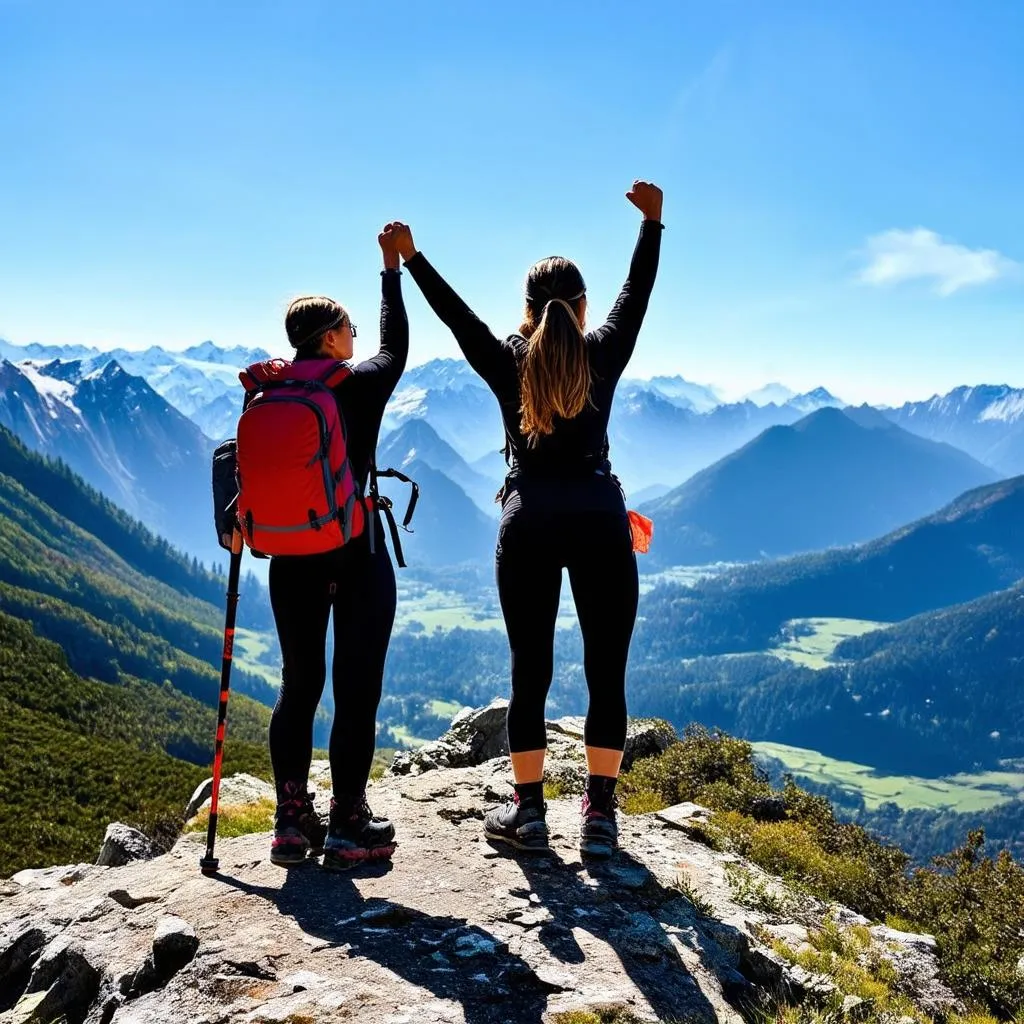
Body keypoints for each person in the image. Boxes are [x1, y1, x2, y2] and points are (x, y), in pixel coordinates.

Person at [388, 181, 663, 857]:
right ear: (581, 307)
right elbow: (637, 295)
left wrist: (413, 258)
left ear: (529, 310)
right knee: (607, 672)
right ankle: (600, 819)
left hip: (528, 522)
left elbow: (460, 323)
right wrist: (652, 225)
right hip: (600, 518)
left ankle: (530, 815)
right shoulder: (603, 354)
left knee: (528, 670)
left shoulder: (510, 361)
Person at [262, 226, 409, 870]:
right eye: (348, 328)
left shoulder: (270, 391)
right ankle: (349, 820)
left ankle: (291, 821)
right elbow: (398, 344)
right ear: (329, 336)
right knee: (356, 687)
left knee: (298, 684)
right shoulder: (358, 384)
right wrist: (390, 269)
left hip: (291, 556)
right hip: (355, 550)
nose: (356, 339)